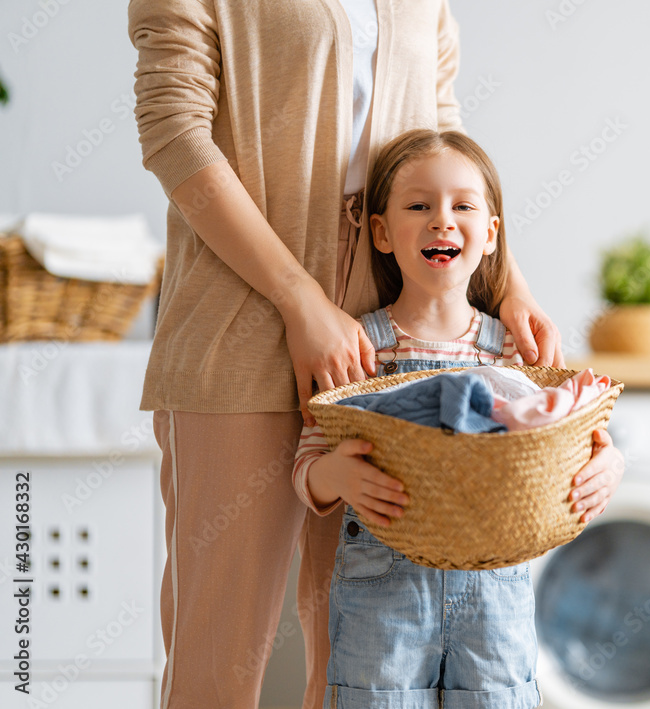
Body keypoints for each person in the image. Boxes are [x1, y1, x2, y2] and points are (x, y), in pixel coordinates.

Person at [128, 1, 622, 706]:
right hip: (238, 330)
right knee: (220, 666)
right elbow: (173, 132)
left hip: (387, 348)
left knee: (358, 665)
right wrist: (301, 301)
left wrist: (506, 283)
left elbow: (441, 137)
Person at [292, 129, 624, 708]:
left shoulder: (514, 354)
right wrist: (333, 478)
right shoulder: (360, 351)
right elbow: (306, 459)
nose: (441, 221)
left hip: (495, 593)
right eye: (418, 206)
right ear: (381, 232)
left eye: (462, 206)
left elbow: (567, 434)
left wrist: (610, 461)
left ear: (491, 234)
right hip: (382, 593)